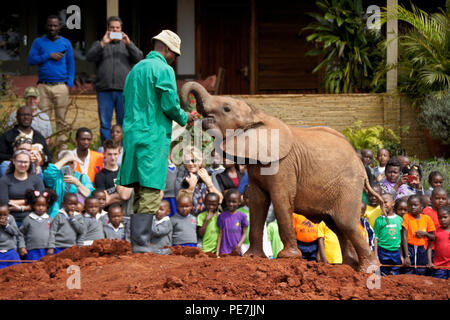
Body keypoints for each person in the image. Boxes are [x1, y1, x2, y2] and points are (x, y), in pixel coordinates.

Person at [116, 29, 194, 253]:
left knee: (139, 186)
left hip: (133, 134)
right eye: (175, 55)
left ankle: (138, 242)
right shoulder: (164, 69)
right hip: (152, 136)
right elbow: (169, 104)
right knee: (151, 186)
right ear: (167, 50)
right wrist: (184, 117)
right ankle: (141, 244)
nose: (175, 59)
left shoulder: (134, 70)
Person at [86, 16, 143, 144]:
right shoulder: (100, 44)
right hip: (104, 90)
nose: (115, 29)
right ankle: (107, 149)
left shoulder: (126, 45)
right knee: (105, 123)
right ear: (107, 29)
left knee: (123, 121)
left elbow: (139, 58)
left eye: (117, 27)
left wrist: (129, 43)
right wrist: (103, 43)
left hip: (124, 90)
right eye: (112, 27)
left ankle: (123, 149)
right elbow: (89, 57)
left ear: (121, 29)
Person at [28, 15, 75, 148]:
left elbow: (71, 64)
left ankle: (62, 150)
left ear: (59, 27)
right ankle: (43, 150)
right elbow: (31, 60)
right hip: (43, 86)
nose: (52, 28)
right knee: (42, 119)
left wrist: (69, 84)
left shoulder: (66, 43)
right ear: (46, 26)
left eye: (55, 25)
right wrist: (48, 56)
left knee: (62, 120)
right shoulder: (38, 42)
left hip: (61, 86)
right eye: (50, 25)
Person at [0, 150, 45, 227]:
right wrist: (29, 201)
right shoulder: (4, 180)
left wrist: (22, 208)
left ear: (30, 163)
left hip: (33, 220)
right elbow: (4, 203)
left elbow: (41, 202)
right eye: (20, 161)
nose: (23, 164)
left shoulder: (36, 180)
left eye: (26, 162)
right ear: (14, 161)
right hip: (9, 221)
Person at [43, 150, 94, 218]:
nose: (70, 165)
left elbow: (91, 195)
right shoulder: (56, 177)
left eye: (72, 162)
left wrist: (77, 184)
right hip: (57, 216)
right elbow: (49, 173)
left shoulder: (82, 177)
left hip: (77, 216)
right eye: (67, 163)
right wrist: (65, 159)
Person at [176, 147, 223, 216]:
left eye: (193, 160)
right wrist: (190, 188)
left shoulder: (209, 175)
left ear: (200, 161)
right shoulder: (181, 178)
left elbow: (220, 200)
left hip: (209, 218)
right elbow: (179, 203)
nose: (190, 163)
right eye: (187, 161)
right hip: (189, 220)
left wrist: (209, 183)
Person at [401, 195, 435, 275]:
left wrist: (425, 234)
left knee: (421, 270)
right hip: (409, 248)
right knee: (408, 268)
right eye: (410, 205)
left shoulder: (427, 219)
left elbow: (432, 237)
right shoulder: (406, 217)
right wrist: (406, 255)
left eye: (415, 205)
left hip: (422, 249)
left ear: (422, 206)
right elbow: (404, 236)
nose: (413, 207)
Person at [20, 189, 57, 261]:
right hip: (32, 251)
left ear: (47, 206)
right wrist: (22, 246)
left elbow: (53, 234)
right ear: (33, 205)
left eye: (43, 205)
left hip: (46, 251)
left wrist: (51, 247)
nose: (41, 208)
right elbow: (20, 233)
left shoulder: (50, 220)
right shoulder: (28, 219)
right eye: (38, 205)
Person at [374, 193, 404, 276]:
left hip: (396, 251)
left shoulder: (399, 219)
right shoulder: (379, 220)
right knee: (383, 273)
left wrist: (401, 255)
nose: (383, 205)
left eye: (385, 202)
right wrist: (376, 256)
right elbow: (375, 238)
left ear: (393, 203)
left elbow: (401, 239)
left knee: (395, 273)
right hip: (382, 251)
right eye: (381, 203)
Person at [239, 187, 272, 258]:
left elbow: (265, 231)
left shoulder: (261, 211)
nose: (251, 200)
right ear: (244, 198)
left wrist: (268, 248)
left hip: (262, 245)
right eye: (248, 197)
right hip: (244, 245)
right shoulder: (239, 213)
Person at [216, 189, 248, 257]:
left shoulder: (242, 216)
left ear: (239, 202)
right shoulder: (222, 216)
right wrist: (217, 251)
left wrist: (239, 245)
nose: (231, 204)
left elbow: (244, 233)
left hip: (236, 250)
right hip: (224, 250)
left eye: (234, 202)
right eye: (229, 201)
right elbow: (220, 234)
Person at [0, 203, 25, 269]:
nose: (2, 217)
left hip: (10, 250)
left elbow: (15, 232)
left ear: (8, 212)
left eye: (5, 215)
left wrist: (6, 226)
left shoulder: (11, 219)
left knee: (16, 268)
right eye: (0, 215)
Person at [428, 206, 450, 280]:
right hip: (439, 266)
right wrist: (429, 262)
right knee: (439, 285)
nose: (442, 220)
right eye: (440, 218)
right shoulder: (436, 231)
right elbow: (430, 248)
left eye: (445, 217)